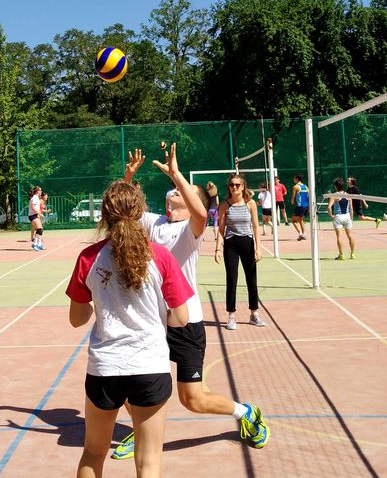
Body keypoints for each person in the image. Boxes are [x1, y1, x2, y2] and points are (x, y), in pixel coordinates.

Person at [114, 146, 270, 463]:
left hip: (186, 322)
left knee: (193, 400)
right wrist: (128, 177)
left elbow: (201, 213)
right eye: (173, 187)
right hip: (153, 322)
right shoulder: (154, 222)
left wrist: (176, 174)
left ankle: (246, 413)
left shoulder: (191, 229)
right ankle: (139, 429)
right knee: (125, 379)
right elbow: (123, 212)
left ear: (190, 200)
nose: (174, 190)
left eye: (181, 190)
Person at [66, 180, 195, 478]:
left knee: (93, 452)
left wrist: (96, 304)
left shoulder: (89, 258)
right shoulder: (160, 256)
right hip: (149, 365)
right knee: (149, 461)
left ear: (104, 214)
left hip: (105, 367)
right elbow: (182, 317)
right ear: (141, 212)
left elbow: (77, 318)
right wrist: (158, 317)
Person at [215, 173, 264, 330]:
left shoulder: (250, 204)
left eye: (237, 184)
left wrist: (258, 248)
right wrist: (218, 248)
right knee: (232, 279)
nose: (234, 187)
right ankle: (231, 316)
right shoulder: (225, 205)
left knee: (252, 279)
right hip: (231, 244)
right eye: (232, 185)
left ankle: (254, 314)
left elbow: (255, 226)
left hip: (247, 243)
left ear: (243, 186)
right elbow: (221, 229)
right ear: (229, 187)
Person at [327, 178, 356, 260]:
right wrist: (351, 219)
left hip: (338, 217)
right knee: (350, 236)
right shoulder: (348, 195)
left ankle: (341, 255)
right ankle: (352, 254)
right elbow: (351, 209)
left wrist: (331, 215)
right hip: (347, 216)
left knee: (339, 236)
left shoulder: (334, 195)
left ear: (336, 186)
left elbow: (329, 207)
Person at [290, 173, 309, 241]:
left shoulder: (295, 187)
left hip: (300, 206)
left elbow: (293, 196)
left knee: (293, 220)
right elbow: (308, 195)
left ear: (297, 179)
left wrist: (292, 201)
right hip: (306, 206)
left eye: (294, 178)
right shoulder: (305, 186)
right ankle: (303, 234)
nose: (293, 179)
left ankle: (301, 234)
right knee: (300, 220)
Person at [28, 186, 43, 251]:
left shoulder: (36, 198)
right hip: (32, 216)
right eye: (40, 190)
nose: (41, 191)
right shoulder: (34, 198)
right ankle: (35, 244)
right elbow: (33, 207)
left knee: (40, 230)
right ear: (37, 191)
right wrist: (39, 213)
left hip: (35, 215)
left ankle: (39, 244)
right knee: (39, 229)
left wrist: (38, 214)